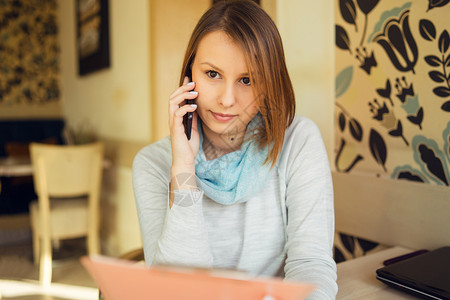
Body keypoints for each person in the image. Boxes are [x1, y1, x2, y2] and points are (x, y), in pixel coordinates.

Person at [132, 0, 337, 298]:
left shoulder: (298, 140)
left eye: (247, 80)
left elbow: (311, 265)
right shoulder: (153, 164)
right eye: (213, 74)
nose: (227, 99)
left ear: (269, 83)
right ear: (190, 73)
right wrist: (184, 169)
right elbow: (176, 290)